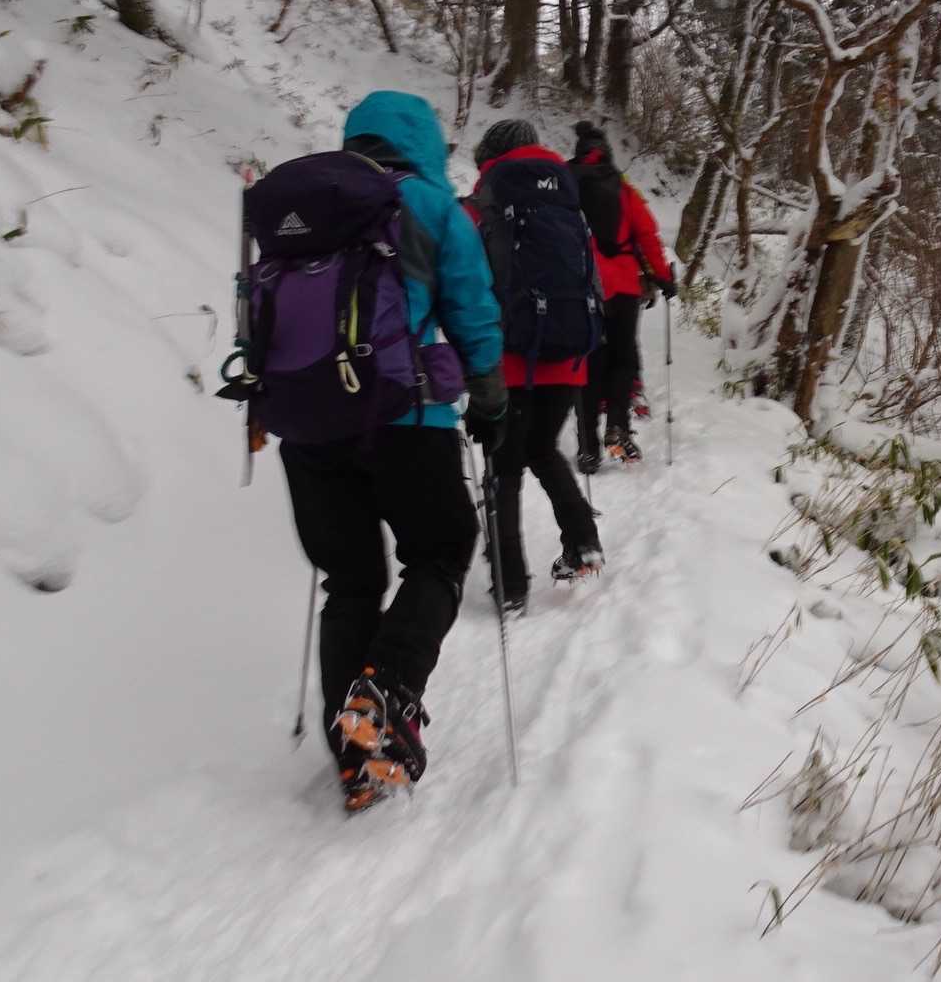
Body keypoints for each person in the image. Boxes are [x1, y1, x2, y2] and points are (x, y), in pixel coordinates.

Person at [277, 91, 507, 813]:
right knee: (441, 552)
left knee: (350, 583)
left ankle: (354, 759)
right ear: (426, 144)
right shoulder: (433, 207)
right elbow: (471, 309)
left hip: (307, 425)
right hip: (405, 419)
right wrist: (490, 398)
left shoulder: (308, 202)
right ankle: (387, 693)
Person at [465, 119, 604, 614]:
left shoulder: (486, 200)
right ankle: (583, 542)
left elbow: (467, 281)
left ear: (490, 155)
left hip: (508, 360)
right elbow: (592, 278)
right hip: (568, 356)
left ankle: (510, 585)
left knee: (503, 467)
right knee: (543, 449)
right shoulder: (566, 198)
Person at [568, 120, 675, 471]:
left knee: (588, 363)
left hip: (581, 287)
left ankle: (587, 448)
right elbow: (647, 233)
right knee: (623, 358)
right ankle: (618, 427)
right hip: (622, 287)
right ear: (607, 152)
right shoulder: (622, 186)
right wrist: (663, 276)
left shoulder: (563, 184)